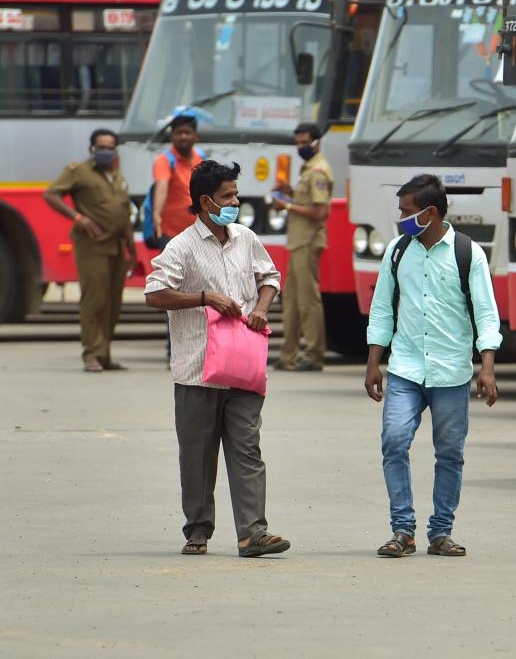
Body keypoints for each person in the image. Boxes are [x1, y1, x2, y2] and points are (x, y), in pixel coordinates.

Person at [144, 159, 290, 558]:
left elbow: (270, 277)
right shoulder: (182, 247)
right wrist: (205, 298)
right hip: (196, 371)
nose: (236, 201)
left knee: (247, 450)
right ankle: (198, 531)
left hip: (243, 368)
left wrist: (262, 306)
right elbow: (155, 293)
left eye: (236, 194)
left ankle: (252, 534)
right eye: (229, 196)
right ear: (206, 201)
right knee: (197, 457)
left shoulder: (245, 237)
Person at [364, 173, 502, 559]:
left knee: (450, 454)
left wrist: (486, 367)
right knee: (393, 442)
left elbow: (486, 315)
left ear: (430, 213)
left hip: (451, 372)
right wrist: (373, 364)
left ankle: (441, 532)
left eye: (406, 211)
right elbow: (381, 311)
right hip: (406, 369)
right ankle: (402, 530)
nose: (401, 217)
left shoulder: (467, 253)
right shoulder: (397, 251)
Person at [43, 128, 136, 372]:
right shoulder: (79, 172)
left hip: (117, 246)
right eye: (101, 147)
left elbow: (124, 214)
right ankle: (91, 355)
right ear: (91, 149)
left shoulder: (117, 176)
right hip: (92, 245)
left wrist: (131, 248)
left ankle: (104, 354)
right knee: (94, 300)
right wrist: (77, 218)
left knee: (113, 302)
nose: (105, 152)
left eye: (110, 147)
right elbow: (51, 194)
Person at [272, 122, 332, 371]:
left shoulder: (318, 171)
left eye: (304, 142)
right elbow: (307, 202)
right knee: (292, 300)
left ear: (317, 142)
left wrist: (286, 206)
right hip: (298, 242)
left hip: (307, 241)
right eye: (297, 142)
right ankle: (289, 354)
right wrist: (291, 193)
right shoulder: (308, 169)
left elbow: (319, 211)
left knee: (308, 301)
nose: (300, 146)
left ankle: (315, 354)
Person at [151, 112, 204, 248]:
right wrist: (156, 215)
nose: (183, 136)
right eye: (178, 132)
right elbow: (161, 187)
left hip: (199, 234)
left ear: (196, 136)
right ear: (172, 136)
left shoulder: (202, 158)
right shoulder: (164, 160)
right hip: (171, 236)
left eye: (187, 132)